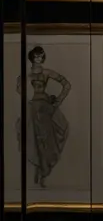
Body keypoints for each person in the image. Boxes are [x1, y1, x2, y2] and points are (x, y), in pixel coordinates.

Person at [17, 45, 70, 187]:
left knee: (47, 140)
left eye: (41, 56)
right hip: (32, 108)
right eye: (36, 56)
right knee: (33, 139)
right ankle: (38, 172)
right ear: (32, 58)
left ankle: (42, 174)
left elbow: (66, 84)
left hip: (45, 108)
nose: (38, 59)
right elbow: (19, 87)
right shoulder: (26, 74)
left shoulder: (46, 72)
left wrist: (58, 100)